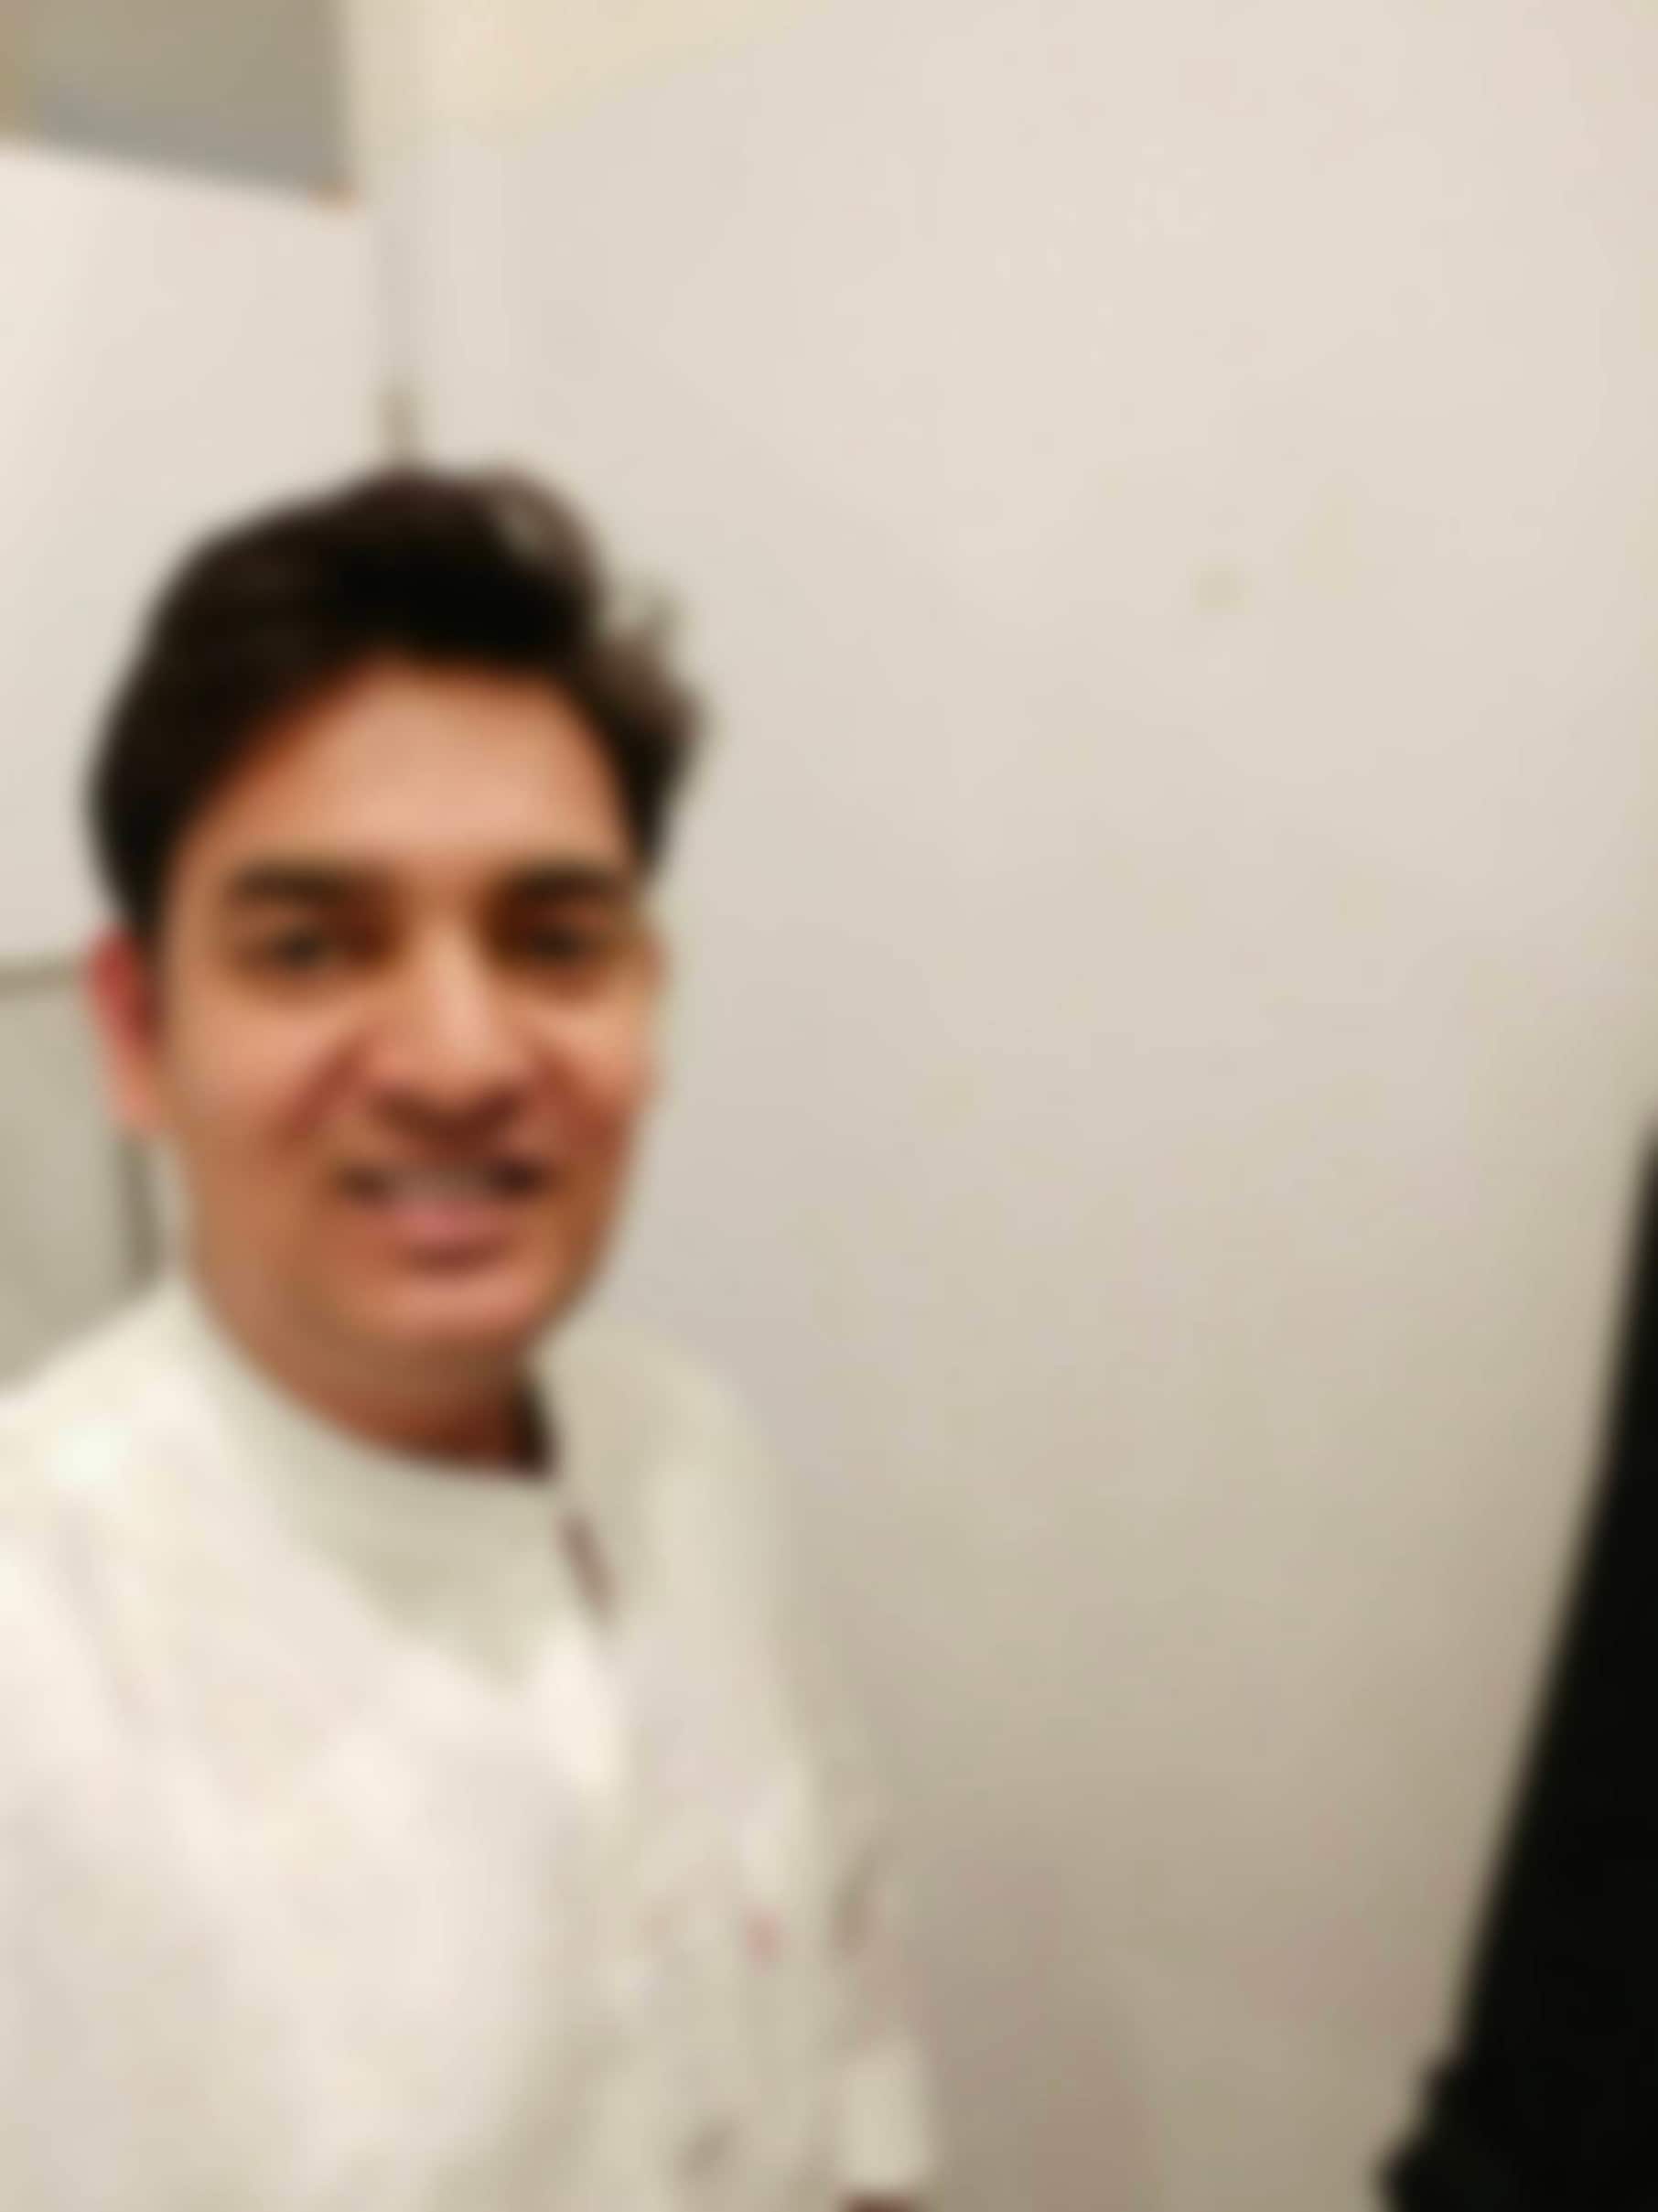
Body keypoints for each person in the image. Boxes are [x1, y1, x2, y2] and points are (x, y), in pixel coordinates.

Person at [0, 469, 936, 2211]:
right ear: (135, 1031)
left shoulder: (690, 1453)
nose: (458, 1059)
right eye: (309, 947)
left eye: (554, 941)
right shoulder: (39, 1653)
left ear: (647, 993)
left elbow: (855, 2072)